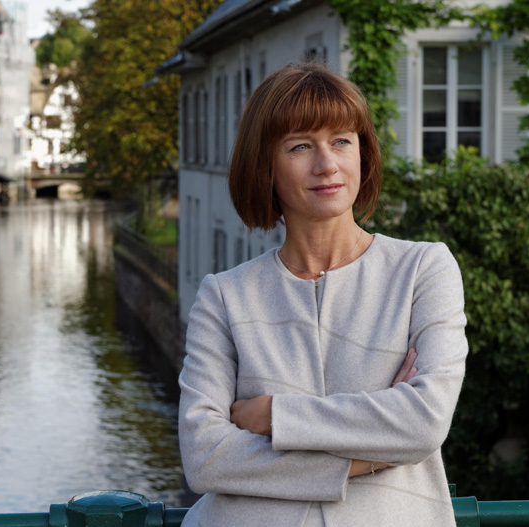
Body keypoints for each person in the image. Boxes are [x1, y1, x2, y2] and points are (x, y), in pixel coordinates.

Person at [177, 62, 469, 527]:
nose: (327, 164)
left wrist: (274, 414)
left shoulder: (423, 269)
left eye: (341, 141)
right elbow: (204, 457)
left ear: (363, 154)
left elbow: (424, 421)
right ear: (264, 165)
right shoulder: (224, 296)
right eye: (300, 146)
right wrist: (369, 456)